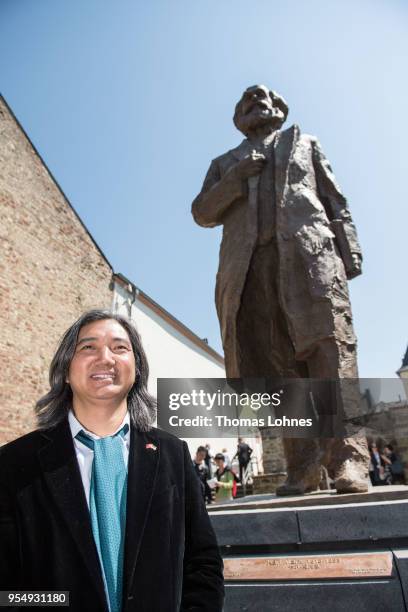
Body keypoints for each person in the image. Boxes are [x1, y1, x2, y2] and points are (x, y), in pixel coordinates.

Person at [192, 84, 369, 495]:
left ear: (280, 110)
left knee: (331, 354)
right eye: (247, 100)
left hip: (310, 257)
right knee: (276, 369)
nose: (256, 100)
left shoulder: (305, 143)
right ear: (238, 117)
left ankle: (349, 461)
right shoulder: (224, 163)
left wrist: (350, 253)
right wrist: (235, 178)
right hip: (250, 270)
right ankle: (302, 467)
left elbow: (335, 200)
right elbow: (202, 212)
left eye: (264, 97)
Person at [0, 310, 224, 611]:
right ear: (65, 370)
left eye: (120, 348)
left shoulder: (173, 455)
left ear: (137, 369)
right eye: (87, 347)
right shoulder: (14, 464)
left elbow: (203, 563)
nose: (105, 358)